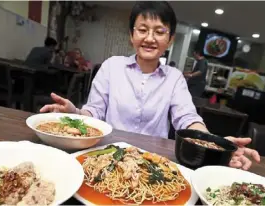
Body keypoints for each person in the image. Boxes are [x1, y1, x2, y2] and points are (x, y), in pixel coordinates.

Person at [40, 1, 260, 170]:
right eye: (142, 29)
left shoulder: (174, 78)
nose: (150, 38)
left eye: (159, 31)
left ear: (170, 39)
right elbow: (94, 112)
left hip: (152, 164)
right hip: (104, 157)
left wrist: (215, 143)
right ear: (132, 34)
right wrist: (75, 113)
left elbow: (187, 119)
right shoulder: (111, 67)